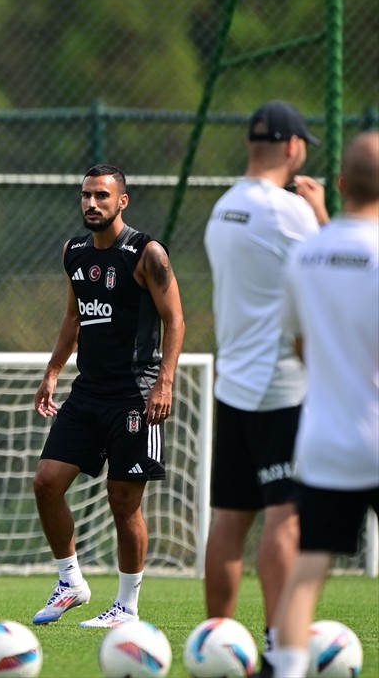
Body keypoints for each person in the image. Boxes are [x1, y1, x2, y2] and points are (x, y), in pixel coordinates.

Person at [30, 164, 185, 628]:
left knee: (122, 499)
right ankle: (70, 581)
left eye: (101, 195)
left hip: (135, 394)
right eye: (85, 196)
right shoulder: (74, 252)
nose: (91, 204)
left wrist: (166, 382)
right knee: (46, 483)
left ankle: (127, 607)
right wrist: (52, 372)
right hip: (88, 393)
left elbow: (175, 321)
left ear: (122, 201)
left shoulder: (146, 253)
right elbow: (74, 317)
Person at [201, 101, 328, 654]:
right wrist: (321, 211)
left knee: (229, 519)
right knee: (284, 517)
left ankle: (215, 645)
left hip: (233, 385)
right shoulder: (289, 212)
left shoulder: (222, 208)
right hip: (281, 386)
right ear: (294, 148)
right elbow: (339, 263)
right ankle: (281, 644)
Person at [268, 131, 379, 678]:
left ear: (340, 184)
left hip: (326, 440)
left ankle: (287, 670)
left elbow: (298, 343)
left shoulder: (306, 253)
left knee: (309, 569)